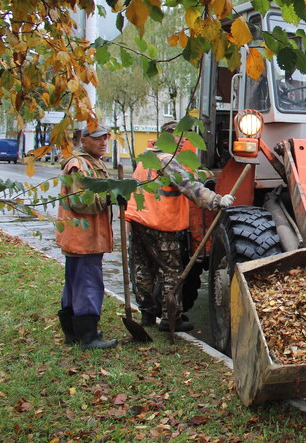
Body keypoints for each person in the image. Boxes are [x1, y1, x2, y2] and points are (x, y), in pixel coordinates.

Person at [126, 121, 235, 331]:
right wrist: (216, 200)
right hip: (161, 224)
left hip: (138, 221)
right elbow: (189, 186)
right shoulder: (168, 161)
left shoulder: (145, 159)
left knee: (143, 270)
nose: (184, 140)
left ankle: (147, 314)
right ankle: (171, 319)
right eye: (180, 136)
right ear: (169, 138)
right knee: (171, 272)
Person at [56, 125, 118, 350]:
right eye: (98, 138)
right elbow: (81, 202)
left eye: (105, 138)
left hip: (82, 238)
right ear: (83, 140)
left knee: (75, 283)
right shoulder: (79, 165)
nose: (104, 142)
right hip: (84, 239)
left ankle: (74, 333)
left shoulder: (91, 163)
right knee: (88, 284)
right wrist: (109, 198)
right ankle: (89, 337)